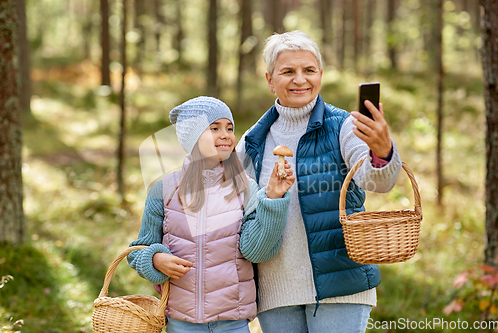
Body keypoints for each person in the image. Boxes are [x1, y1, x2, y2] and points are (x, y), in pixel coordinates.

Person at [235, 30, 402, 333]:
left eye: (309, 70)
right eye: (288, 71)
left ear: (320, 74)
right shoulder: (251, 141)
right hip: (274, 290)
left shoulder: (344, 127)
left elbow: (378, 180)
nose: (300, 79)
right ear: (270, 80)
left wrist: (382, 151)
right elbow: (229, 214)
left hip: (341, 285)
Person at [127, 96, 295, 333]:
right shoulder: (163, 191)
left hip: (233, 322)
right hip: (181, 321)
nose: (226, 134)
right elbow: (138, 251)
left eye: (229, 128)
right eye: (214, 128)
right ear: (192, 137)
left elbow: (257, 251)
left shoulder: (245, 188)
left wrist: (274, 199)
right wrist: (155, 260)